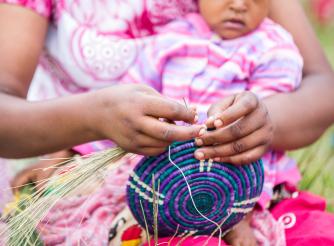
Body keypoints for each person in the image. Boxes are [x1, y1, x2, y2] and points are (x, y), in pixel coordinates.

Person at [0, 0, 333, 245]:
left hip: (248, 185)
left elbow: (321, 88)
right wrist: (84, 125)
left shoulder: (269, 44)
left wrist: (263, 120)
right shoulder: (171, 44)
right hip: (140, 186)